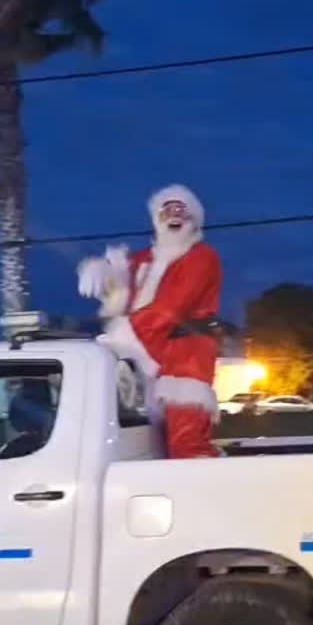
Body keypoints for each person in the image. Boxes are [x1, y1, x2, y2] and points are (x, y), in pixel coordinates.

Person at [78, 185, 223, 459]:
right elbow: (120, 283)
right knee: (145, 443)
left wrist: (124, 335)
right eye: (166, 210)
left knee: (186, 442)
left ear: (194, 218)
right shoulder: (144, 259)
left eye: (181, 210)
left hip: (184, 358)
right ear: (157, 217)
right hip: (142, 357)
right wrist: (102, 271)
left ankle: (200, 495)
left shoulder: (202, 257)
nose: (174, 216)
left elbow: (172, 308)